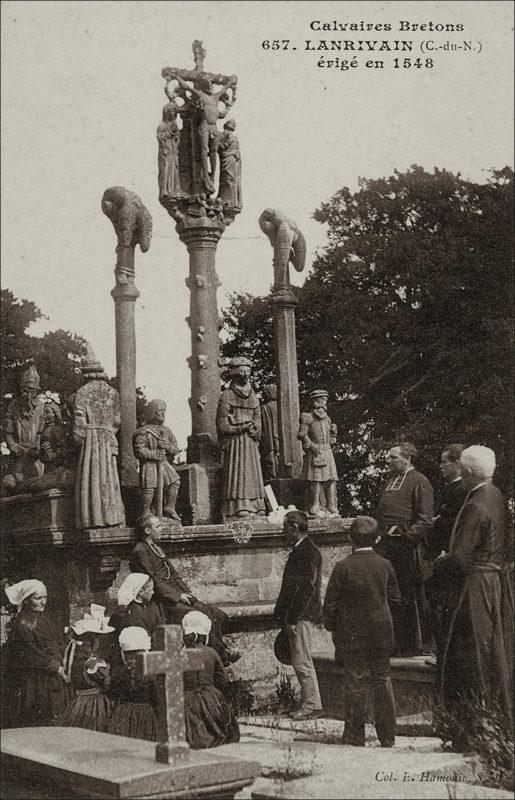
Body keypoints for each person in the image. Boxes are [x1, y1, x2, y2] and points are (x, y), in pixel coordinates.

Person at [434, 445, 512, 750]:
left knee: (469, 658)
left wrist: (440, 560)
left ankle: (473, 732)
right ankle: (495, 724)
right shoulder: (496, 495)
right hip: (495, 583)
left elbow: (459, 558)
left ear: (466, 473)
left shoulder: (473, 505)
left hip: (474, 588)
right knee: (495, 652)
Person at [324, 516, 400, 747]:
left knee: (354, 683)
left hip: (352, 636)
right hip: (381, 634)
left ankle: (355, 735)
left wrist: (335, 628)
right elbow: (396, 599)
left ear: (350, 539)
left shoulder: (343, 567)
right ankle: (387, 736)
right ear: (377, 539)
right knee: (382, 680)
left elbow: (330, 605)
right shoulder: (385, 565)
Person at [129, 514, 239, 666]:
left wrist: (187, 593)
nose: (162, 529)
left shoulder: (156, 548)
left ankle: (221, 649)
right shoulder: (140, 550)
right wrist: (178, 596)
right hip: (163, 600)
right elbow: (153, 580)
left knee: (213, 612)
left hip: (175, 594)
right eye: (158, 526)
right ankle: (221, 656)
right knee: (199, 614)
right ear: (147, 530)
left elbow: (174, 574)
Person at [374, 442, 434, 656]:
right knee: (388, 596)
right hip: (386, 548)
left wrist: (406, 536)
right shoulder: (390, 481)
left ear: (406, 459)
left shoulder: (420, 481)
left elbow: (425, 519)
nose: (388, 461)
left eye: (393, 457)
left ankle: (412, 646)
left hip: (407, 550)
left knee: (407, 597)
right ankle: (392, 644)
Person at [1, 579, 73, 728]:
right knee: (39, 719)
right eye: (38, 598)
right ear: (26, 601)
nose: (43, 602)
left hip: (51, 676)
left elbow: (56, 641)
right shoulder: (23, 624)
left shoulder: (43, 619)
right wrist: (58, 668)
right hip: (36, 680)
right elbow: (33, 654)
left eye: (45, 597)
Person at [274, 510, 323, 720]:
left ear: (294, 528)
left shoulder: (306, 552)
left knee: (301, 660)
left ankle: (312, 705)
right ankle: (309, 702)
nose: (283, 532)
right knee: (299, 659)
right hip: (297, 615)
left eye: (285, 528)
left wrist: (292, 618)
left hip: (300, 615)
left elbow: (306, 588)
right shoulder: (303, 550)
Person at [73, 345, 125, 529]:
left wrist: (79, 440)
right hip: (107, 435)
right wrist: (109, 432)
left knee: (92, 477)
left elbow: (79, 426)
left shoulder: (82, 393)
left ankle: (94, 519)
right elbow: (117, 421)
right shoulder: (113, 393)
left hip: (91, 438)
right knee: (109, 478)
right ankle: (112, 516)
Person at [423, 444, 466, 651]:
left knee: (442, 601)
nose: (440, 466)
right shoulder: (450, 488)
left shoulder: (462, 491)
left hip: (448, 555)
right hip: (440, 554)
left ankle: (444, 648)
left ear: (457, 464)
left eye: (444, 462)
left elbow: (455, 524)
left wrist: (437, 522)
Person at [216, 357, 266, 519]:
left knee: (253, 473)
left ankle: (257, 505)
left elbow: (258, 417)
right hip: (236, 443)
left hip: (251, 441)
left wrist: (256, 428)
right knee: (238, 473)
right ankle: (239, 507)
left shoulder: (253, 396)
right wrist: (240, 427)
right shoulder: (227, 396)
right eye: (242, 371)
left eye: (248, 371)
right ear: (235, 373)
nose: (245, 375)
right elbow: (222, 425)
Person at [182, 611, 240, 749]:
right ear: (204, 635)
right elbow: (221, 679)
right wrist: (213, 693)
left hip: (186, 699)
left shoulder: (180, 654)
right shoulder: (211, 653)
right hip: (210, 697)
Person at [60, 609, 114, 732]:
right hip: (95, 705)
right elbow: (107, 682)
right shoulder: (93, 663)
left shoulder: (75, 660)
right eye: (99, 638)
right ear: (93, 640)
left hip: (78, 703)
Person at [106, 626, 158, 741]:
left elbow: (112, 693)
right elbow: (156, 696)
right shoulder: (151, 674)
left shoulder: (119, 673)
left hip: (123, 713)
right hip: (146, 714)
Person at [132, 399, 181, 520]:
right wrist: (154, 454)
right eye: (159, 410)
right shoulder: (143, 431)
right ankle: (146, 512)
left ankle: (169, 507)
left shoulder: (167, 431)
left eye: (164, 410)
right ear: (152, 412)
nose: (162, 413)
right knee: (149, 487)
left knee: (175, 481)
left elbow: (175, 447)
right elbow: (139, 450)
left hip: (163, 463)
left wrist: (167, 447)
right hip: (149, 464)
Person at [4, 360, 45, 488]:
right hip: (19, 453)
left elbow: (41, 429)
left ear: (36, 392)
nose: (28, 396)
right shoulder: (13, 406)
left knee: (38, 482)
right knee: (15, 483)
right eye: (25, 391)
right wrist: (13, 445)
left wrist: (38, 444)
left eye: (32, 392)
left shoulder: (41, 406)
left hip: (36, 454)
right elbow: (8, 431)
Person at [298, 390, 339, 517]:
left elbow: (332, 440)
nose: (323, 403)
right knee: (315, 479)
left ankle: (330, 504)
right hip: (314, 450)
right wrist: (312, 445)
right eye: (320, 400)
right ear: (314, 402)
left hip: (327, 451)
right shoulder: (307, 417)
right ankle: (315, 504)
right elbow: (301, 434)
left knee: (331, 479)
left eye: (325, 400)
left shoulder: (327, 419)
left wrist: (333, 433)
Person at [110, 573, 163, 648]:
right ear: (141, 592)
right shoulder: (134, 613)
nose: (153, 592)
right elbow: (143, 640)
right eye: (151, 589)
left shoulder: (151, 606)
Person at [218, 119, 242, 209]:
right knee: (227, 179)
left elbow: (224, 146)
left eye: (226, 129)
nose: (224, 132)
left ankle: (229, 200)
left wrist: (217, 142)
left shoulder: (230, 136)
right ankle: (228, 199)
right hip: (229, 160)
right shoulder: (232, 137)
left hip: (229, 160)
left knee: (228, 179)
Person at [260, 383, 280, 482]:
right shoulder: (281, 406)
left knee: (270, 474)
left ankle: (271, 497)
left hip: (269, 444)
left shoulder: (264, 408)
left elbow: (265, 429)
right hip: (278, 442)